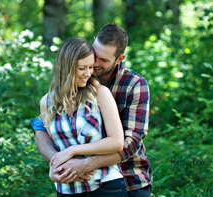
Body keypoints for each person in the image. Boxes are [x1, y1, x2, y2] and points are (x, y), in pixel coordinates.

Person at [32, 23, 152, 197]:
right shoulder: (74, 82)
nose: (94, 64)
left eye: (103, 60)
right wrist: (57, 163)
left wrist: (85, 164)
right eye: (94, 55)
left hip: (129, 176)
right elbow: (44, 129)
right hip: (76, 182)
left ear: (119, 59)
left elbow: (130, 142)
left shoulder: (134, 85)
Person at [35, 37, 127, 196]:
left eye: (90, 67)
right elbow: (52, 147)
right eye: (82, 68)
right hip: (68, 189)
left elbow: (117, 142)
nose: (88, 73)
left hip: (105, 185)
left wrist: (73, 150)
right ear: (66, 68)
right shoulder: (47, 102)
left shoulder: (100, 94)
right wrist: (54, 167)